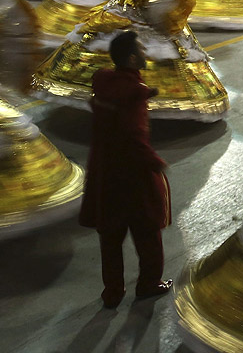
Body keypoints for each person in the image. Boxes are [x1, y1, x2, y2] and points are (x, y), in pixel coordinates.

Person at [79, 30, 173, 309]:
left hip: (104, 172)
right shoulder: (132, 95)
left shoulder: (105, 82)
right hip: (132, 175)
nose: (146, 53)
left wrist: (146, 92)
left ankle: (112, 293)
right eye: (142, 50)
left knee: (110, 237)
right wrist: (155, 162)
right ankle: (148, 284)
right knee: (147, 233)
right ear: (132, 58)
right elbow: (134, 136)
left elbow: (107, 106)